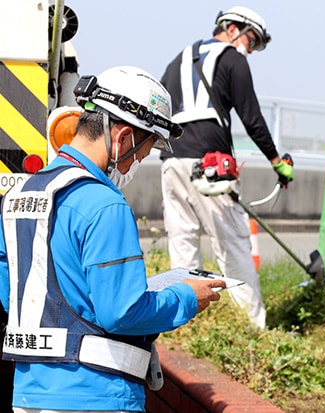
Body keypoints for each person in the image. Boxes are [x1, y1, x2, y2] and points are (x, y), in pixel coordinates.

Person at [0, 65, 226, 412]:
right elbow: (121, 312)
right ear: (122, 138)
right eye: (144, 151)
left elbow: (10, 293)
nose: (138, 161)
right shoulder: (104, 204)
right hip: (96, 395)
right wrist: (186, 297)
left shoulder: (19, 196)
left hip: (29, 394)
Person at [159, 5, 293, 330]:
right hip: (210, 165)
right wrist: (278, 162)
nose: (252, 47)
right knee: (232, 243)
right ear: (232, 28)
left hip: (171, 160)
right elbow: (252, 117)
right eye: (253, 39)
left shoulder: (179, 59)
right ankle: (252, 328)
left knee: (182, 240)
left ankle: (185, 324)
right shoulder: (233, 59)